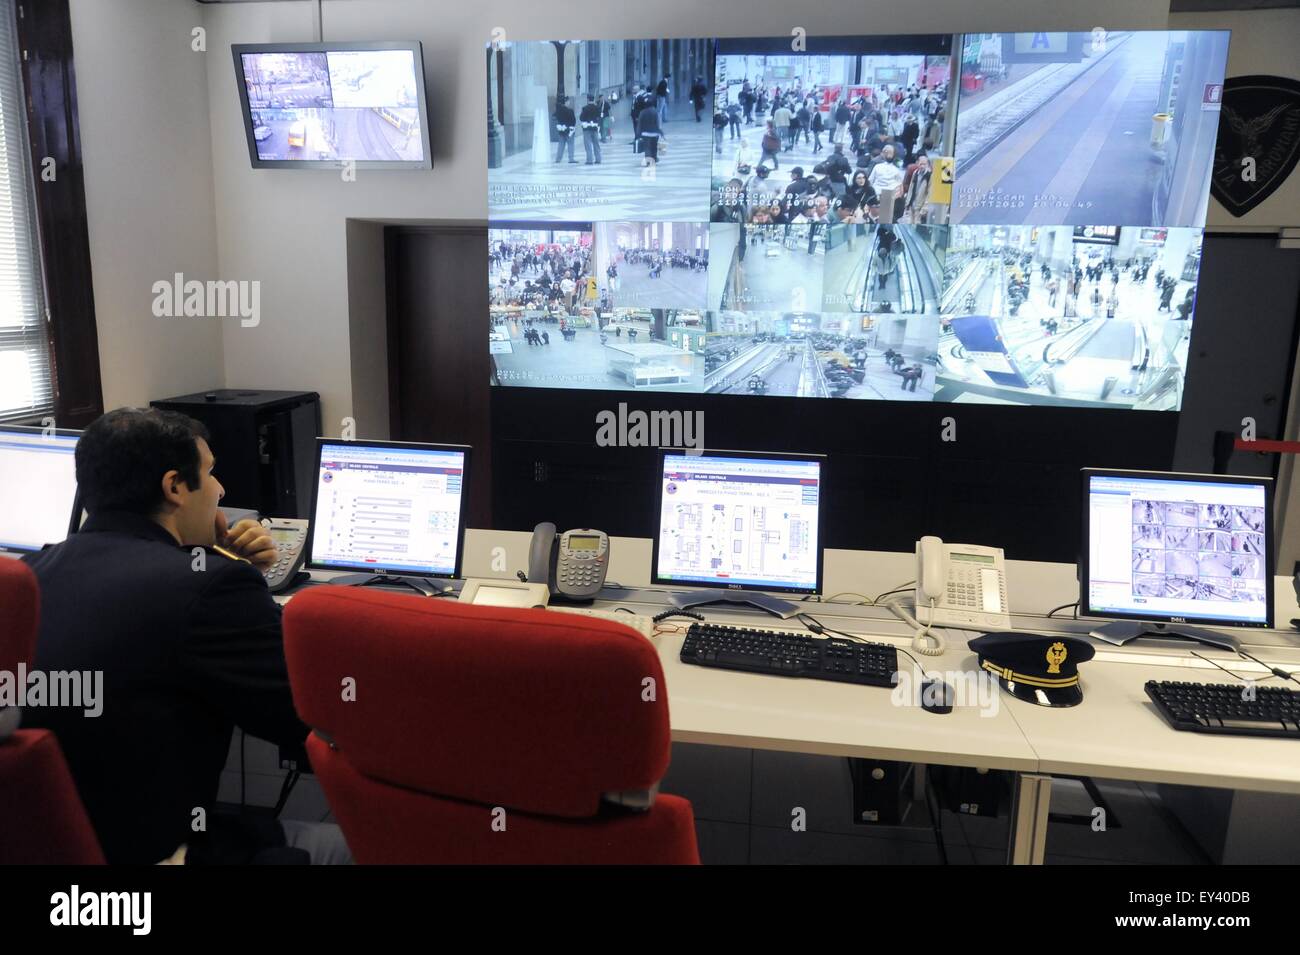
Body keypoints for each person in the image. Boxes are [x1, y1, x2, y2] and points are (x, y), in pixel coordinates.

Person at [21, 408, 351, 865]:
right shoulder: (210, 588)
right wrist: (234, 577)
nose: (220, 490)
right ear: (175, 487)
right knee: (367, 844)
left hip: (55, 847)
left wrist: (211, 563)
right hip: (162, 854)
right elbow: (311, 719)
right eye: (211, 473)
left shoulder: (25, 576)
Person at [868, 144, 904, 224]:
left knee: (880, 219)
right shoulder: (879, 166)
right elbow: (870, 180)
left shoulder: (895, 169)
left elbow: (870, 181)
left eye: (889, 152)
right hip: (882, 195)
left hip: (883, 195)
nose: (887, 153)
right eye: (886, 151)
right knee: (879, 219)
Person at [579, 94, 602, 165]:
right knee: (596, 144)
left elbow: (581, 118)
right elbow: (599, 117)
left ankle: (589, 160)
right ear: (593, 99)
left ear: (588, 99)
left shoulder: (585, 108)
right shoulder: (597, 108)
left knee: (588, 144)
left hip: (587, 128)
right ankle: (598, 159)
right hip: (595, 128)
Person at [554, 95, 577, 164]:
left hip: (561, 130)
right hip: (569, 130)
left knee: (561, 145)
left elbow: (554, 117)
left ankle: (558, 159)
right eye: (568, 101)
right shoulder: (570, 111)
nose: (569, 102)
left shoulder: (558, 111)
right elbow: (573, 121)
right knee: (570, 144)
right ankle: (571, 158)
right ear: (566, 102)